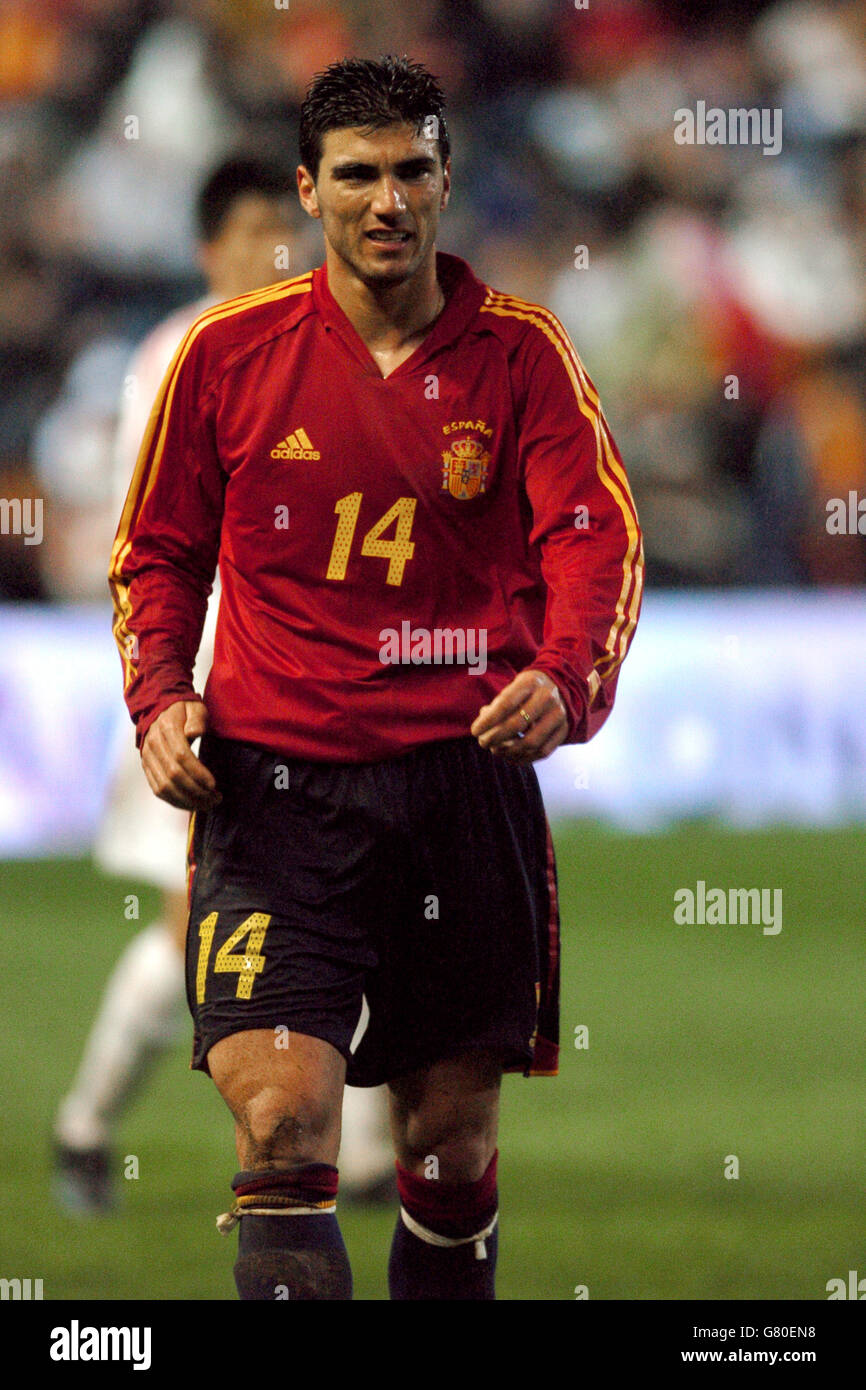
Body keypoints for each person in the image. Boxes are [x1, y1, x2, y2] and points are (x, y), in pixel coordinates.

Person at [108, 57, 643, 1300]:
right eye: (356, 173)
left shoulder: (522, 357)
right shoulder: (227, 356)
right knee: (282, 1130)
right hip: (276, 797)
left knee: (446, 1148)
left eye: (411, 170)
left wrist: (566, 679)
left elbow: (593, 538)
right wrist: (157, 694)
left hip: (462, 792)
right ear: (309, 190)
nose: (386, 198)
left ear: (447, 181)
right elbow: (160, 551)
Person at [54, 154, 394, 1214]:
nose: (273, 254)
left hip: (300, 692)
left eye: (281, 233)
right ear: (211, 250)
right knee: (196, 927)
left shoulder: (306, 348)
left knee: (350, 901)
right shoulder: (176, 359)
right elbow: (156, 544)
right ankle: (91, 1123)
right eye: (252, 235)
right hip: (200, 696)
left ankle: (362, 1148)